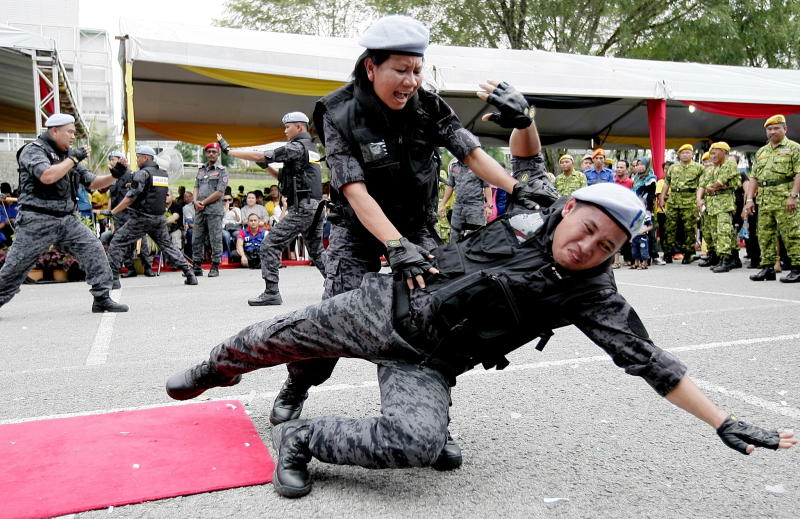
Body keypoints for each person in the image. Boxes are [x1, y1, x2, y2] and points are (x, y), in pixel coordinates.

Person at [165, 182, 796, 499]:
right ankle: (210, 369)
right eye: (586, 229)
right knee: (275, 339)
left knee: (418, 443)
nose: (585, 248)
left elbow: (651, 362)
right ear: (570, 208)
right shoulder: (529, 211)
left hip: (428, 361)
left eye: (605, 247)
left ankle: (301, 439)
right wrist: (518, 116)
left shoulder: (593, 296)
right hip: (380, 309)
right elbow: (523, 155)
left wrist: (721, 421)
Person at [262, 16, 547, 471]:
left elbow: (470, 154)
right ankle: (298, 385)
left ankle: (430, 417)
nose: (411, 81)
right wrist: (394, 246)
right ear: (371, 67)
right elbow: (353, 189)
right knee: (335, 321)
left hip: (416, 227)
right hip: (358, 230)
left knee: (433, 323)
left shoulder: (429, 107)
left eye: (417, 70)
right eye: (401, 70)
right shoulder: (335, 112)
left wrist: (516, 187)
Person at [0, 113, 127, 313]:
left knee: (93, 249)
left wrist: (115, 175)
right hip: (37, 220)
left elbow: (93, 182)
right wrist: (73, 159)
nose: (72, 136)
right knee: (15, 268)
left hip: (66, 219)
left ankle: (102, 297)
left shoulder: (67, 156)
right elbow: (47, 176)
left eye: (74, 133)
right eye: (69, 132)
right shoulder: (33, 151)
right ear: (54, 131)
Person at [218, 110, 326, 305]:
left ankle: (271, 293)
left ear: (299, 127)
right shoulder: (309, 148)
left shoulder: (296, 146)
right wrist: (264, 164)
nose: (285, 131)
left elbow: (262, 154)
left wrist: (229, 151)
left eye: (287, 127)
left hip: (302, 206)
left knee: (269, 245)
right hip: (314, 205)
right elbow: (282, 177)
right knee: (317, 251)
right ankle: (339, 286)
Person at [103, 146, 198, 288]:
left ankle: (114, 279)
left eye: (138, 157)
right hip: (158, 218)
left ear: (146, 158)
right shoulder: (162, 174)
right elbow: (151, 191)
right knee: (168, 246)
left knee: (117, 242)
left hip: (141, 218)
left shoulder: (143, 173)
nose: (137, 159)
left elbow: (130, 197)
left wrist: (113, 211)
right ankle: (190, 274)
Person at [743, 114, 800, 282]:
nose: (773, 132)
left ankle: (797, 267)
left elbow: (799, 173)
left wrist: (794, 196)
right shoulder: (762, 152)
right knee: (764, 234)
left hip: (785, 197)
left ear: (785, 129)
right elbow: (754, 178)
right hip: (765, 199)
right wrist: (749, 200)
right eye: (769, 129)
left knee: (792, 233)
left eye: (776, 128)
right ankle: (767, 267)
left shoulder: (794, 148)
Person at [696, 142, 741, 273]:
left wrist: (713, 187)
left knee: (723, 232)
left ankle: (725, 260)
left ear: (724, 152)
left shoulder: (729, 164)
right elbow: (703, 186)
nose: (712, 156)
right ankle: (728, 258)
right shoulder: (710, 169)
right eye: (711, 153)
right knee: (716, 232)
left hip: (724, 204)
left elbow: (721, 182)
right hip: (712, 204)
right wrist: (699, 199)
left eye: (715, 153)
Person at [107, 151, 154, 278]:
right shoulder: (113, 177)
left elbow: (137, 193)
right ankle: (129, 267)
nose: (111, 162)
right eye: (110, 159)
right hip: (118, 214)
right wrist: (109, 211)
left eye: (114, 159)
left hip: (131, 212)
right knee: (122, 240)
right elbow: (111, 196)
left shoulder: (130, 174)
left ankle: (148, 267)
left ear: (121, 160)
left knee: (141, 240)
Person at [659, 144, 704, 264]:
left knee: (689, 228)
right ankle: (668, 253)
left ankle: (688, 253)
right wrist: (662, 197)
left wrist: (699, 200)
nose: (685, 155)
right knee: (669, 227)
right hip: (674, 200)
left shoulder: (699, 168)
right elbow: (666, 183)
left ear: (692, 154)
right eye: (683, 153)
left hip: (690, 200)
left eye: (688, 152)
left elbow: (702, 185)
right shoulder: (673, 168)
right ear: (679, 155)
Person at [191, 142, 228, 278]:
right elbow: (196, 186)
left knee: (215, 238)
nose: (211, 154)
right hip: (199, 209)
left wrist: (203, 202)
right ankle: (196, 266)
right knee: (197, 238)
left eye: (214, 151)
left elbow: (220, 192)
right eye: (209, 151)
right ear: (206, 153)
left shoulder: (222, 170)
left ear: (218, 154)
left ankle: (215, 266)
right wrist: (195, 201)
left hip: (214, 210)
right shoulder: (201, 169)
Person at [438, 160, 492, 242]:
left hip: (475, 207)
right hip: (458, 207)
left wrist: (489, 206)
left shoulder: (479, 166)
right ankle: (455, 253)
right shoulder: (454, 167)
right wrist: (442, 204)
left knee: (476, 236)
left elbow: (487, 187)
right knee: (454, 236)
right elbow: (450, 186)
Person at [221, 194, 242, 259]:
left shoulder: (237, 209)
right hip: (224, 228)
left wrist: (235, 212)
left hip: (234, 227)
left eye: (229, 200)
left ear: (232, 200)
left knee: (238, 234)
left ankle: (238, 253)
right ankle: (230, 255)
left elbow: (239, 221)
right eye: (225, 200)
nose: (227, 201)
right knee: (226, 236)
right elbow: (220, 220)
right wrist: (225, 210)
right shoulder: (221, 209)